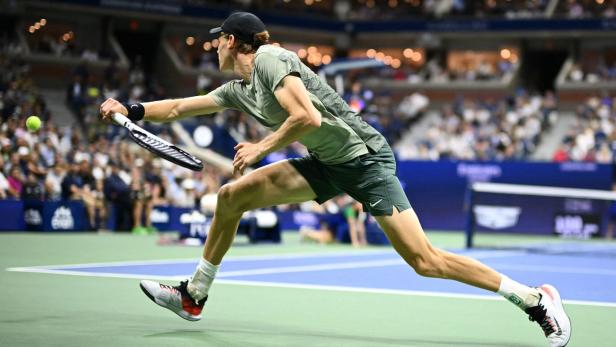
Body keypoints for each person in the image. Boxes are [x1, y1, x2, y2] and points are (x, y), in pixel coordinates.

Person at [99, 12, 570, 346]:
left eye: (220, 37)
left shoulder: (270, 59)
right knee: (230, 198)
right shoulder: (239, 88)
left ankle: (534, 300)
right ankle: (194, 294)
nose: (215, 44)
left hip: (364, 159)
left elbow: (306, 116)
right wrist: (130, 108)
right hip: (325, 162)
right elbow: (181, 107)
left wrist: (262, 147)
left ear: (240, 42)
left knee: (424, 260)